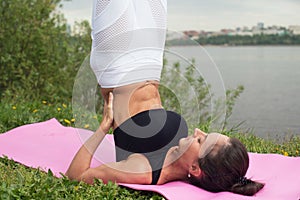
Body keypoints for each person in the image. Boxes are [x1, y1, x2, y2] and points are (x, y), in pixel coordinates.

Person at [66, 0, 264, 196]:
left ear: (195, 168)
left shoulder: (144, 170)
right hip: (151, 60)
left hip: (116, 62)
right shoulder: (183, 148)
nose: (197, 131)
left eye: (201, 140)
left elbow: (75, 176)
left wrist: (102, 128)